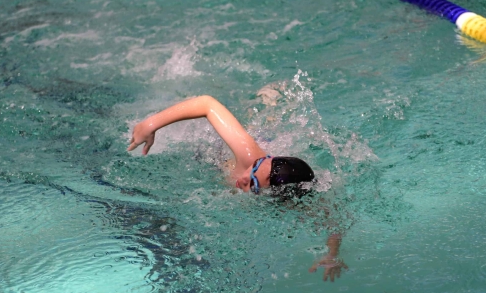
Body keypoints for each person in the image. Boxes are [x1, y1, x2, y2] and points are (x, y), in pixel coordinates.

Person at [127, 95, 348, 281]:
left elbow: (333, 222)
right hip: (214, 151)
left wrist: (332, 253)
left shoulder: (290, 201)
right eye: (254, 169)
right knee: (262, 110)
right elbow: (207, 103)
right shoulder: (249, 156)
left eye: (253, 184)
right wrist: (150, 124)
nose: (243, 178)